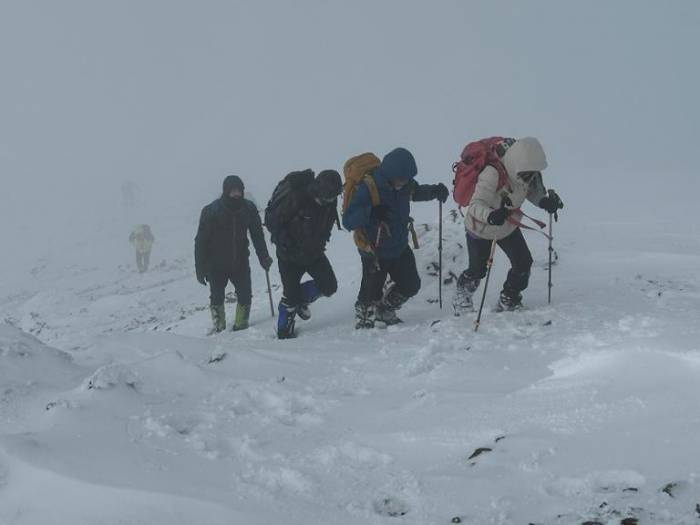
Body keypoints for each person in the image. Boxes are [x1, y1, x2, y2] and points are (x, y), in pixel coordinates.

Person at [453, 136, 564, 313]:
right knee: (477, 270)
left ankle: (509, 298)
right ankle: (462, 296)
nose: (529, 177)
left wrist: (544, 202)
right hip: (480, 228)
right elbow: (475, 205)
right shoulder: (492, 173)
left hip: (507, 226)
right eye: (526, 174)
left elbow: (531, 191)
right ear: (516, 165)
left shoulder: (526, 170)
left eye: (532, 173)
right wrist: (490, 216)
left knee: (523, 263)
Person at [342, 147, 449, 328]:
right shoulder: (368, 188)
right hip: (374, 250)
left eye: (407, 179)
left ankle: (385, 311)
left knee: (411, 285)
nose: (405, 182)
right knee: (370, 294)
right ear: (391, 174)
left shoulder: (404, 185)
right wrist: (371, 212)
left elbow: (416, 192)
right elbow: (348, 221)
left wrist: (434, 191)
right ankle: (364, 322)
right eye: (401, 179)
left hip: (398, 245)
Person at [265, 169, 343, 339]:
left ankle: (295, 300)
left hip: (313, 254)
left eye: (333, 196)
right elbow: (273, 222)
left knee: (329, 286)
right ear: (319, 188)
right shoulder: (298, 198)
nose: (329, 200)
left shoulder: (330, 202)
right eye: (327, 196)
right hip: (289, 257)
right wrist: (285, 241)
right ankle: (289, 307)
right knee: (284, 333)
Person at [195, 175, 273, 333]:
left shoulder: (248, 209)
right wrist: (200, 268)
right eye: (233, 191)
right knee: (217, 297)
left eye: (239, 191)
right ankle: (219, 328)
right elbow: (201, 241)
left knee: (245, 296)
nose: (237, 194)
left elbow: (257, 235)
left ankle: (241, 326)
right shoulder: (211, 211)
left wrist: (263, 256)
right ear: (226, 192)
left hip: (240, 261)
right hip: (215, 264)